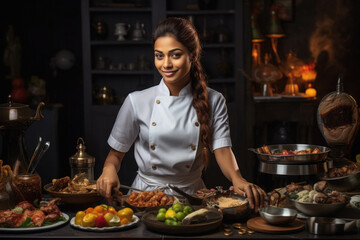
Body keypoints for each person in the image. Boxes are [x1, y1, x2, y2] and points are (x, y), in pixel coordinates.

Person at [96, 17, 266, 211]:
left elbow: (222, 150)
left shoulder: (214, 100)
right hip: (145, 197)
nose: (166, 64)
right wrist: (108, 170)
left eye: (175, 55)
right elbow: (115, 156)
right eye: (159, 56)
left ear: (192, 55)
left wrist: (238, 179)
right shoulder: (137, 101)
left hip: (192, 197)